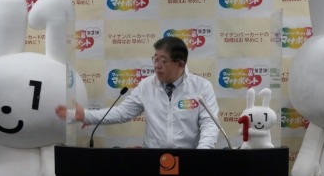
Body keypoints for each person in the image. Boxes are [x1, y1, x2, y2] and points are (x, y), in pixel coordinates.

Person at [56, 36, 220, 149]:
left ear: (180, 64)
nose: (157, 66)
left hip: (189, 159)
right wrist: (85, 115)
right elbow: (122, 113)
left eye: (163, 61)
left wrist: (202, 154)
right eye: (156, 59)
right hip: (153, 158)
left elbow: (210, 124)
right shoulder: (146, 86)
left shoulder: (201, 87)